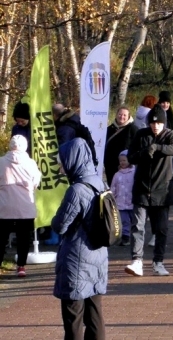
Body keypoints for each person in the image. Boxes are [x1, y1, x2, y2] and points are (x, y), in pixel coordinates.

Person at [52, 139, 108, 339]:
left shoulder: (76, 190)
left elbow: (60, 225)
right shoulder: (100, 182)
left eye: (63, 160)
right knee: (95, 314)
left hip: (77, 257)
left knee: (73, 316)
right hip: (98, 254)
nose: (62, 166)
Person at [126, 104, 173, 276]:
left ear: (163, 123)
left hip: (162, 191)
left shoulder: (170, 136)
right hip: (142, 189)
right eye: (152, 123)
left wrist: (157, 147)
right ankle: (137, 261)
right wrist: (144, 152)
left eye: (158, 123)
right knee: (138, 226)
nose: (155, 126)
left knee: (161, 228)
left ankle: (158, 261)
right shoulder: (141, 135)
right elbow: (130, 157)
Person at [0, 135, 41, 278]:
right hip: (25, 207)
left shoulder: (1, 162)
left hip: (5, 206)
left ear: (10, 146)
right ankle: (21, 266)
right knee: (24, 238)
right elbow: (36, 182)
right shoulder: (30, 163)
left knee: (2, 237)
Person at [104, 106, 139, 185]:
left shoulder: (133, 129)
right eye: (120, 114)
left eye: (124, 115)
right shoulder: (109, 129)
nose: (122, 117)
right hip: (111, 166)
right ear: (116, 115)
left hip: (126, 166)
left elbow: (138, 146)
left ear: (128, 116)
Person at [157, 91, 173, 204]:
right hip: (163, 146)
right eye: (163, 102)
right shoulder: (157, 114)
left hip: (172, 145)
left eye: (167, 102)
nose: (165, 105)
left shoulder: (170, 115)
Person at [110, 151, 135, 246]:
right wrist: (112, 198)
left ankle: (135, 236)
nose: (122, 162)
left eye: (124, 160)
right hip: (120, 203)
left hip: (132, 202)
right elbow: (113, 187)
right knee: (124, 221)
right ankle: (125, 236)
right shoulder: (117, 175)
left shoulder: (134, 172)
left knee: (134, 221)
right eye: (120, 161)